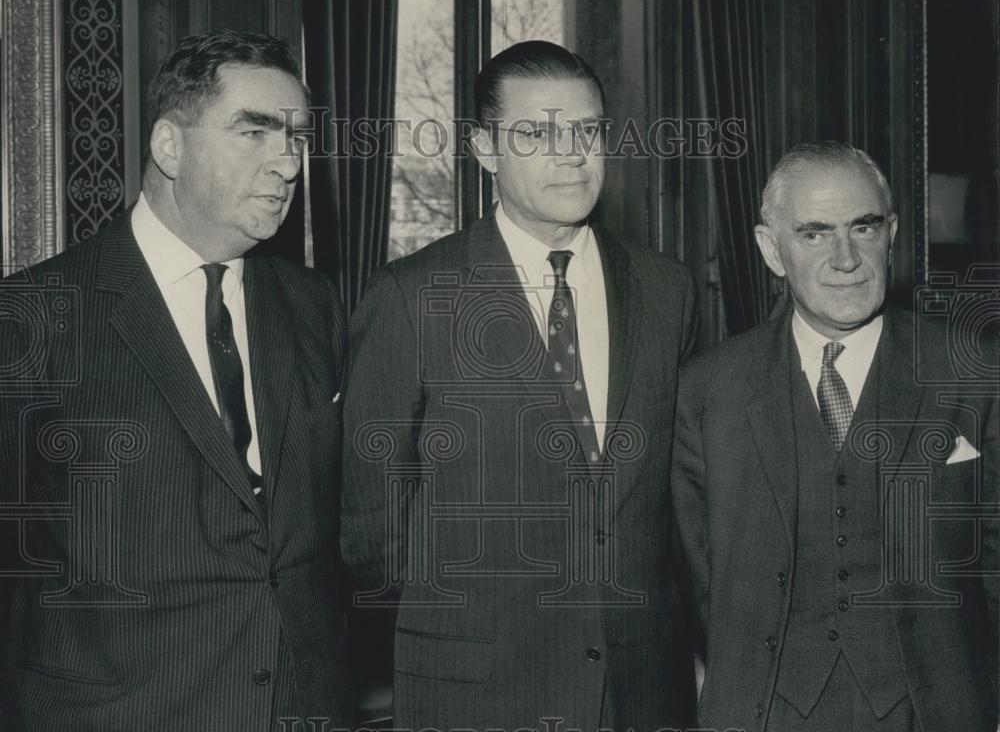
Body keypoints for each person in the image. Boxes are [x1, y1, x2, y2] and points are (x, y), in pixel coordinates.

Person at [341, 40, 698, 731]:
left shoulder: (667, 291)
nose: (571, 153)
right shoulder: (411, 297)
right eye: (538, 132)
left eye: (588, 131)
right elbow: (373, 533)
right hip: (478, 693)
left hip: (643, 691)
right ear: (485, 149)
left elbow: (684, 501)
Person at [0, 31, 352, 729]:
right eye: (254, 132)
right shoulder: (32, 318)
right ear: (169, 147)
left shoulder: (314, 306)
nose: (287, 161)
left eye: (297, 137)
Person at [672, 141, 999, 731]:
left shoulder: (971, 374)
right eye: (815, 234)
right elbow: (703, 581)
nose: (845, 258)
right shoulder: (708, 391)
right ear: (772, 250)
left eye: (864, 227)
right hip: (763, 712)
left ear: (892, 233)